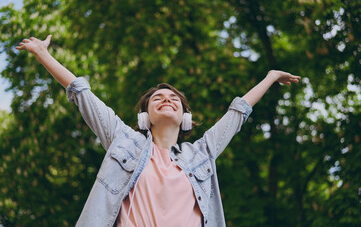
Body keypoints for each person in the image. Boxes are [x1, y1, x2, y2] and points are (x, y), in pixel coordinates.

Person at [16, 35, 301, 227]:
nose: (167, 99)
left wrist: (271, 76)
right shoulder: (123, 140)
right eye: (158, 98)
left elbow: (237, 113)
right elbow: (82, 93)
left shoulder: (201, 153)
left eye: (174, 99)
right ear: (144, 117)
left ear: (185, 118)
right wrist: (42, 54)